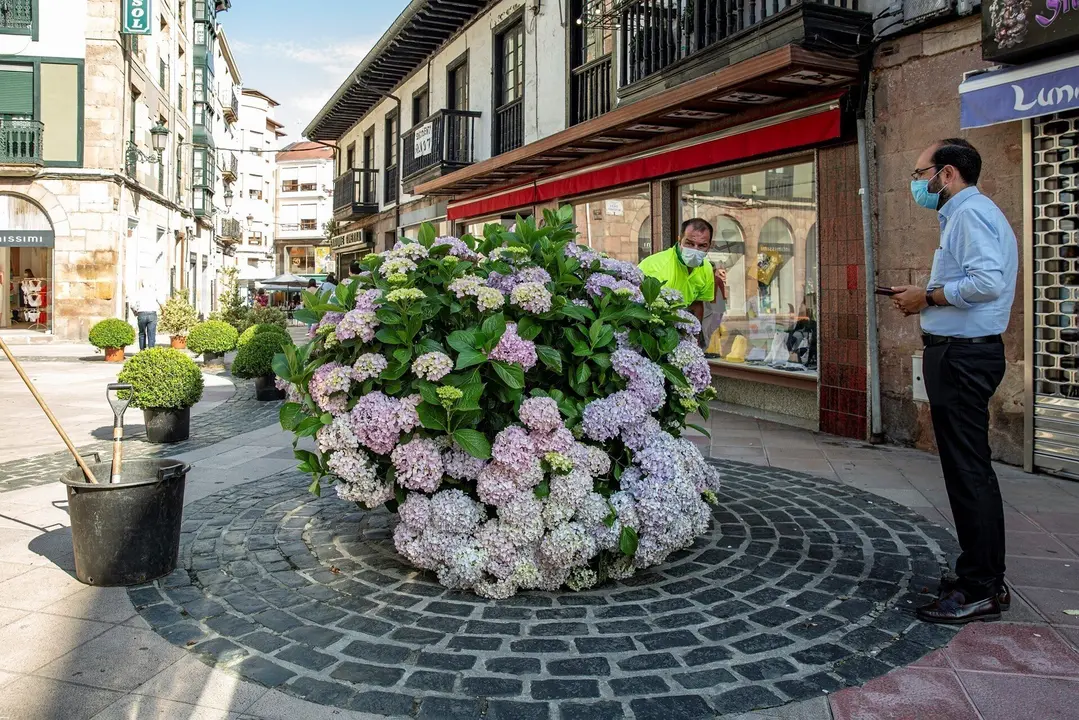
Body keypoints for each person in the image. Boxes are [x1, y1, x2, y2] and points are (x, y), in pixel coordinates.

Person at [890, 138, 1018, 624]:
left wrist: (928, 297)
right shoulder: (968, 214)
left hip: (964, 358)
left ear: (947, 174)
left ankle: (982, 586)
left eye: (920, 174)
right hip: (961, 355)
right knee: (967, 469)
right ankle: (978, 575)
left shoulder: (969, 213)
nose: (916, 184)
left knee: (969, 471)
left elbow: (987, 282)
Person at [639, 219, 727, 330]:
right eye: (689, 243)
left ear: (709, 246)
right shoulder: (655, 265)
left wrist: (695, 334)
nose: (695, 250)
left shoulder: (707, 268)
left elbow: (697, 304)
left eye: (702, 246)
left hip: (681, 328)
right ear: (680, 240)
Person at [130, 279, 161, 351]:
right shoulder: (154, 292)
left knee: (141, 333)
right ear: (150, 285)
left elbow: (132, 305)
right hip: (152, 314)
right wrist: (163, 312)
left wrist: (135, 312)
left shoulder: (138, 292)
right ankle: (151, 351)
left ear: (142, 284)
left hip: (141, 314)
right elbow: (161, 302)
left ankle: (142, 350)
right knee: (151, 334)